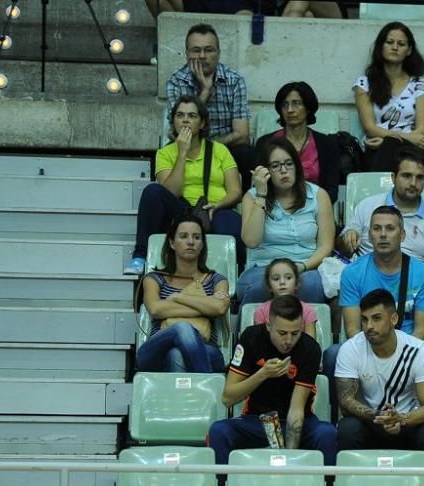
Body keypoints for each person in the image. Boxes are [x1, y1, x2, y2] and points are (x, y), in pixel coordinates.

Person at [207, 294, 337, 465]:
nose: (289, 341)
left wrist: (289, 460)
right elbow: (228, 397)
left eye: (295, 333)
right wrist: (262, 374)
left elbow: (296, 409)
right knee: (219, 430)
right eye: (282, 333)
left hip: (299, 422)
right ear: (268, 325)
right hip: (257, 421)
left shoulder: (310, 349)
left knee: (327, 433)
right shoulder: (250, 338)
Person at [327, 205, 424, 382]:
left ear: (402, 235)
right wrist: (377, 352)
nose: (383, 234)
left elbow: (421, 331)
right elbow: (352, 329)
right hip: (367, 345)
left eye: (390, 228)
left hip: (407, 346)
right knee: (332, 354)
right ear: (369, 236)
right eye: (377, 229)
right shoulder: (352, 273)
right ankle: (342, 409)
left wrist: (396, 353)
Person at [125, 95, 242, 275]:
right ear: (173, 121)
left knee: (230, 220)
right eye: (180, 115)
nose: (185, 119)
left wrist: (219, 205)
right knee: (152, 191)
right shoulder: (165, 153)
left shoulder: (220, 150)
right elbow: (171, 191)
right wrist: (181, 153)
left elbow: (235, 191)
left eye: (192, 116)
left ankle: (235, 272)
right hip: (179, 210)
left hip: (213, 209)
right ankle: (140, 256)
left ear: (202, 123)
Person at [340, 146, 424, 325]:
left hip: (413, 281)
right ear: (393, 178)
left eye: (419, 178)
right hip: (368, 277)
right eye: (406, 176)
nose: (413, 183)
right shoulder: (367, 206)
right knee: (335, 286)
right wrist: (348, 236)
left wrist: (397, 274)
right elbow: (344, 246)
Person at [335, 289, 424, 470]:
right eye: (364, 319)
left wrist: (401, 419)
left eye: (376, 318)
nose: (369, 326)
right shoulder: (351, 349)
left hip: (407, 421)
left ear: (393, 319)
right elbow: (346, 402)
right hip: (370, 422)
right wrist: (379, 417)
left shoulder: (418, 351)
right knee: (348, 427)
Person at [238, 137, 335, 304]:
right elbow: (251, 241)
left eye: (289, 164)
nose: (284, 170)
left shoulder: (319, 195)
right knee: (256, 287)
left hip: (306, 267)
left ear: (297, 166)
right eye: (275, 166)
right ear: (265, 171)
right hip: (263, 267)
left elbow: (325, 246)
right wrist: (261, 194)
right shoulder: (252, 197)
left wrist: (301, 267)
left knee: (312, 286)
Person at [137, 217, 230, 373]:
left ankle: (180, 397)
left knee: (177, 355)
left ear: (202, 245)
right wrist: (206, 307)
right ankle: (205, 389)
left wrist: (179, 298)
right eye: (183, 236)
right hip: (156, 350)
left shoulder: (217, 279)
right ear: (172, 243)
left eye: (196, 237)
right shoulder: (154, 278)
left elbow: (220, 308)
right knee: (181, 328)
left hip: (207, 348)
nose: (191, 241)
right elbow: (155, 309)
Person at [165, 24, 251, 177]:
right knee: (168, 152)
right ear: (187, 54)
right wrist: (205, 91)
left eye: (209, 50)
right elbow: (177, 132)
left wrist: (210, 148)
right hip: (187, 147)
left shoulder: (235, 80)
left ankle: (244, 199)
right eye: (196, 50)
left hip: (225, 148)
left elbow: (242, 134)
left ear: (218, 54)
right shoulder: (176, 82)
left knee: (245, 153)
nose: (202, 56)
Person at [354, 22, 424, 172]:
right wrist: (396, 139)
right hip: (375, 146)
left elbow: (421, 130)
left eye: (401, 44)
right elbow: (370, 128)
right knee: (386, 148)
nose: (395, 47)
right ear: (380, 46)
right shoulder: (364, 83)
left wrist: (387, 141)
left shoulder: (419, 85)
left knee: (390, 147)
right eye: (389, 42)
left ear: (409, 50)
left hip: (410, 150)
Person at [256, 81, 340, 203]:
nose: (290, 110)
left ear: (308, 108)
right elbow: (260, 184)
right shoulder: (265, 143)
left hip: (315, 209)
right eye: (285, 105)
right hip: (275, 208)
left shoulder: (327, 144)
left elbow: (331, 191)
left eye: (296, 104)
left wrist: (310, 209)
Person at [250, 258, 318, 340]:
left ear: (297, 283)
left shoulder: (308, 311)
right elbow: (259, 342)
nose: (282, 282)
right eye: (276, 279)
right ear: (269, 285)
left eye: (288, 278)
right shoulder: (261, 311)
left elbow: (311, 343)